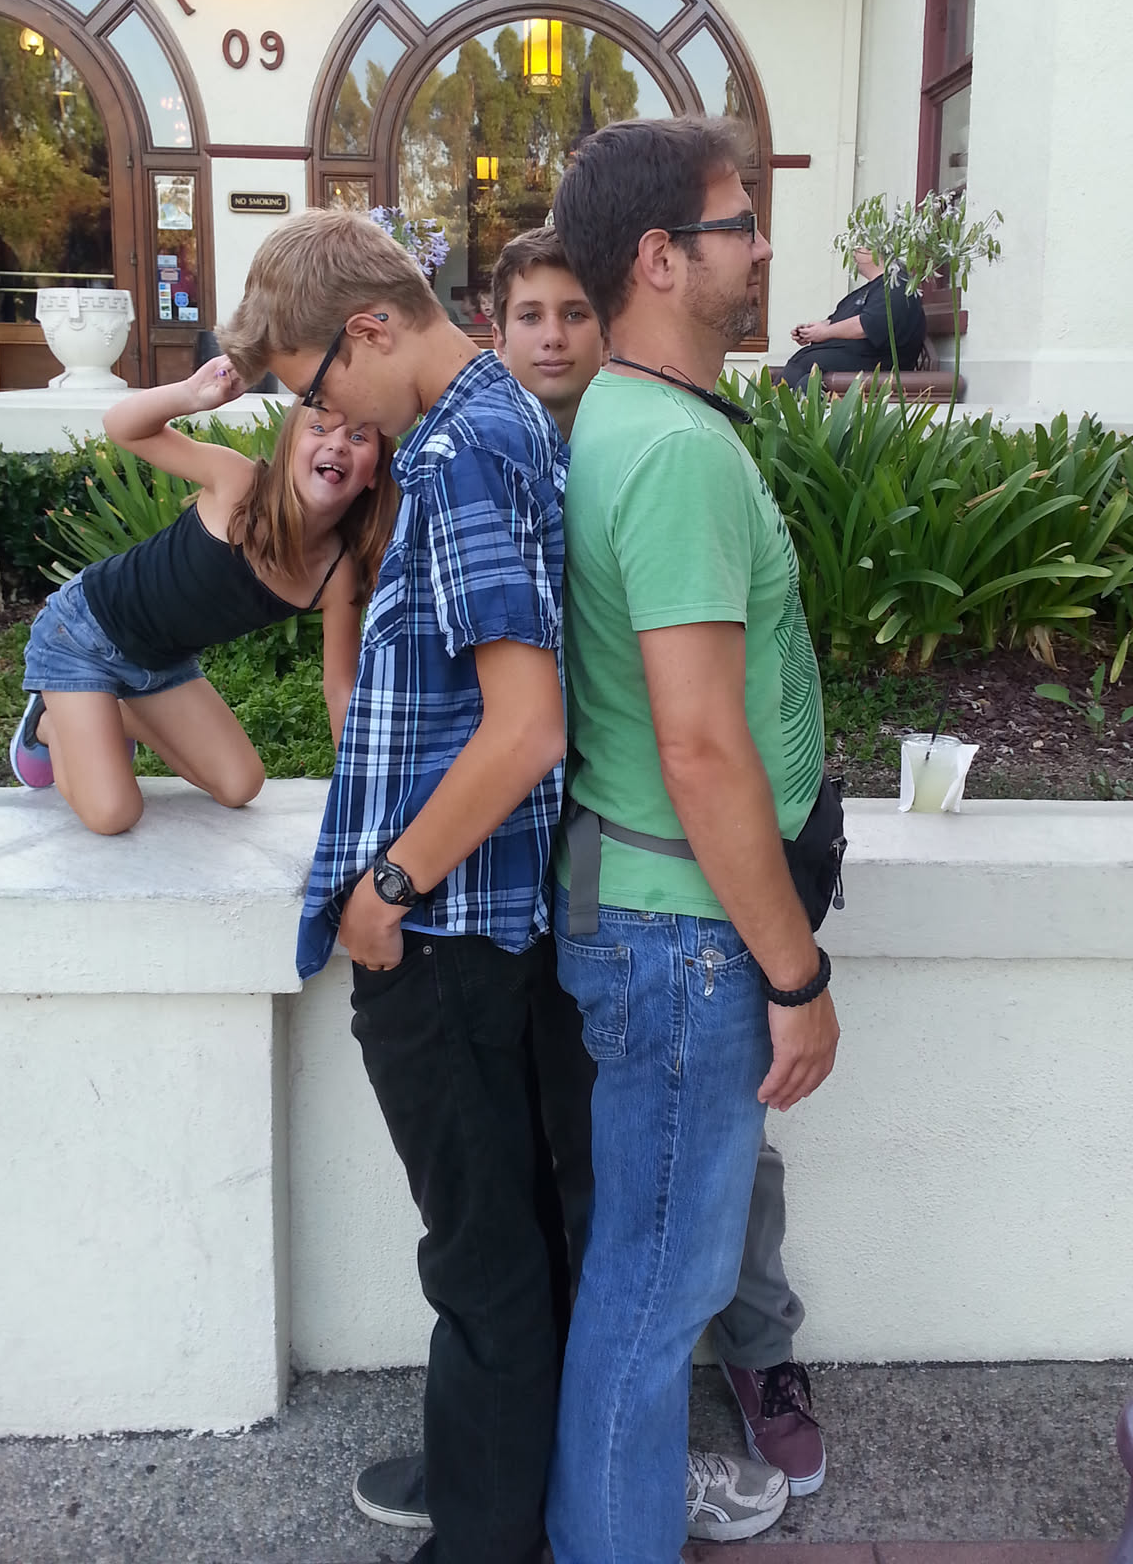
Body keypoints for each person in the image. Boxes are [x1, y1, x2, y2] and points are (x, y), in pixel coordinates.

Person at [217, 207, 587, 1564]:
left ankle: (485, 1540)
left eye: (314, 384)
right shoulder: (493, 425)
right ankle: (489, 1475)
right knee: (504, 1238)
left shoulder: (459, 452)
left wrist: (386, 886)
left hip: (442, 931)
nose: (324, 418)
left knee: (481, 1257)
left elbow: (526, 726)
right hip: (474, 925)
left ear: (369, 329)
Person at [490, 223, 831, 1521]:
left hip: (614, 873)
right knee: (656, 1284)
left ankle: (603, 1513)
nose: (763, 246)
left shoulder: (611, 421)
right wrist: (796, 975)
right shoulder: (674, 448)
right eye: (740, 222)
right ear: (661, 257)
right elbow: (697, 743)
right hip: (679, 919)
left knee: (638, 1255)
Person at [9, 357, 395, 835]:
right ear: (291, 445)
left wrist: (358, 792)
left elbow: (340, 689)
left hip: (162, 666)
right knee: (114, 814)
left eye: (357, 437)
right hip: (82, 636)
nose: (336, 443)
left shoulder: (337, 575)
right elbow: (121, 427)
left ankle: (104, 716)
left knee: (240, 784)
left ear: (374, 473)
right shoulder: (240, 484)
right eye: (319, 428)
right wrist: (191, 395)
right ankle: (48, 724)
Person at [783, 244, 925, 394]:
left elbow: (867, 325)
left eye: (858, 248)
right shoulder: (865, 291)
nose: (852, 254)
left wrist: (825, 332)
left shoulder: (896, 286)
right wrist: (810, 331)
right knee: (806, 363)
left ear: (873, 251)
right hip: (840, 362)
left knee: (810, 367)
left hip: (877, 368)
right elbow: (837, 320)